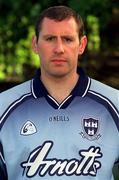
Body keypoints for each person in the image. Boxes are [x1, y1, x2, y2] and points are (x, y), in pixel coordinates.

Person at [0, 5, 119, 180]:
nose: (59, 49)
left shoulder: (114, 104)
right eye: (49, 39)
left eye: (68, 39)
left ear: (82, 45)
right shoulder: (3, 106)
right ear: (35, 44)